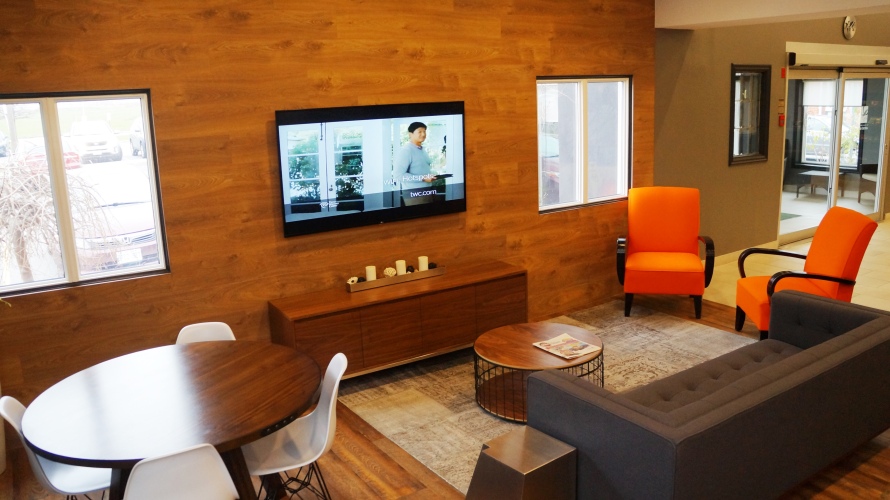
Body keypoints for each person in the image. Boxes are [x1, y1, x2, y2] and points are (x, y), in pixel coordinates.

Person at [393, 122, 435, 190]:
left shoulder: (422, 150)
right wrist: (423, 178)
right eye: (420, 132)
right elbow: (398, 175)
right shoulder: (406, 151)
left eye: (424, 131)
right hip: (413, 193)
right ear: (410, 134)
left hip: (427, 190)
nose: (423, 134)